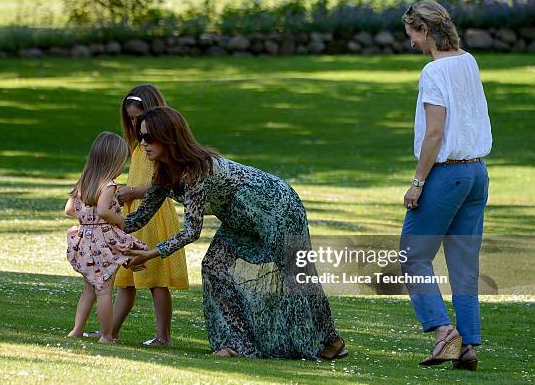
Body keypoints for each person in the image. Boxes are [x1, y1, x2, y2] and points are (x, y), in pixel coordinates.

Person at [122, 106, 347, 359]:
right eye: (141, 137)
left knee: (295, 273)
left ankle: (332, 340)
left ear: (169, 137)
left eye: (149, 137)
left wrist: (149, 254)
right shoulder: (163, 172)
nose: (143, 143)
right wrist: (100, 220)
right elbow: (139, 217)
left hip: (276, 207)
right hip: (239, 215)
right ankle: (237, 345)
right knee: (214, 265)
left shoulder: (197, 171)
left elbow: (192, 232)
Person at [400, 1, 492, 371]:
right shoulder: (469, 61)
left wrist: (417, 183)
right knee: (464, 263)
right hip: (477, 175)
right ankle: (468, 346)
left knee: (412, 255)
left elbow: (435, 133)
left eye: (413, 36)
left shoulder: (434, 71)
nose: (412, 44)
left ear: (425, 30)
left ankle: (442, 332)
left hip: (448, 174)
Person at [108, 85, 189, 346]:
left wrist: (132, 191)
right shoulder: (139, 147)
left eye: (137, 117)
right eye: (130, 118)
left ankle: (164, 336)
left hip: (154, 216)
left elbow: (164, 187)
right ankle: (110, 332)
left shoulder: (159, 147)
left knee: (156, 279)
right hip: (137, 214)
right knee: (126, 280)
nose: (134, 123)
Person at [65, 132, 147, 344]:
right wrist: (118, 219)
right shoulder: (109, 185)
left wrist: (86, 217)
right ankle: (106, 335)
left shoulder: (84, 181)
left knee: (89, 289)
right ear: (113, 161)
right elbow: (103, 210)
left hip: (84, 240)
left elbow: (69, 210)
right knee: (104, 290)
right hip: (103, 243)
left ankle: (76, 330)